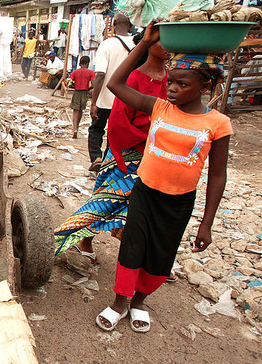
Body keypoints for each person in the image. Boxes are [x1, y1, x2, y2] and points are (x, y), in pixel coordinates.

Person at [96, 21, 232, 333]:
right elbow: (116, 85)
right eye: (171, 82)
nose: (171, 88)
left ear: (205, 88)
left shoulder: (218, 124)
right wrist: (143, 44)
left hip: (179, 202)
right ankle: (120, 301)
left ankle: (140, 302)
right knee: (132, 247)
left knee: (161, 254)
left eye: (181, 85)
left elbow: (217, 176)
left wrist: (207, 222)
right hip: (145, 191)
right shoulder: (159, 107)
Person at [54, 33, 168, 265]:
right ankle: (65, 240)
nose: (167, 47)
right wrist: (143, 146)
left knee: (143, 209)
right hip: (128, 153)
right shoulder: (135, 78)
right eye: (161, 40)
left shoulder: (172, 79)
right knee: (105, 204)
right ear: (148, 44)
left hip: (158, 155)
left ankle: (144, 258)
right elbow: (118, 124)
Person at [89, 13, 134, 171]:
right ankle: (107, 164)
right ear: (130, 26)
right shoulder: (138, 45)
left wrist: (94, 102)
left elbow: (100, 75)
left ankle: (96, 158)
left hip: (105, 99)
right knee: (113, 134)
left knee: (96, 129)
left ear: (113, 25)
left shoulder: (106, 45)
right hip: (127, 99)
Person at [67, 55, 96, 138]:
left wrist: (75, 85)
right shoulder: (91, 72)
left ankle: (75, 128)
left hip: (77, 92)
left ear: (79, 63)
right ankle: (77, 127)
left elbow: (69, 83)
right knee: (81, 110)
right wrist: (89, 88)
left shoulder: (75, 72)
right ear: (88, 63)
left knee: (75, 110)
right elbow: (94, 85)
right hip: (85, 92)